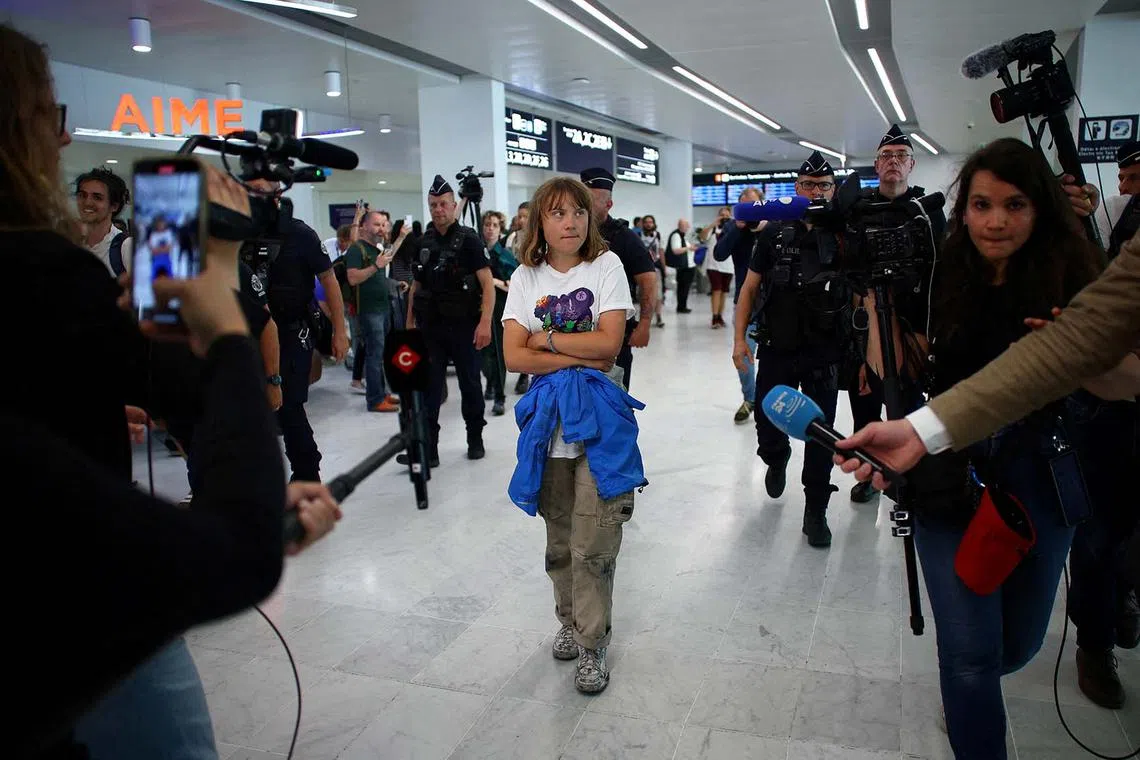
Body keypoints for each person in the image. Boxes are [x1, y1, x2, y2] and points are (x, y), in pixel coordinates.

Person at [0, 26, 342, 758]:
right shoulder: (42, 274)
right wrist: (219, 312)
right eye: (49, 121)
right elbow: (237, 553)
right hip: (73, 607)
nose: (60, 147)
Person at [844, 138, 1114, 758]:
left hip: (1041, 473)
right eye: (983, 204)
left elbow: (1122, 376)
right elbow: (901, 369)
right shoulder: (942, 273)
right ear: (962, 210)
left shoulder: (1076, 273)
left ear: (1040, 207)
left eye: (1015, 204)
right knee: (968, 656)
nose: (996, 221)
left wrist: (1083, 362)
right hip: (949, 475)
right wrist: (873, 301)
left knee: (1015, 646)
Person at [502, 176, 644, 695]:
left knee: (596, 539)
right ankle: (568, 619)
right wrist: (570, 351)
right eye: (558, 213)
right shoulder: (525, 276)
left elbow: (609, 346)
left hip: (600, 420)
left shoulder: (606, 266)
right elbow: (513, 355)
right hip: (548, 424)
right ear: (540, 221)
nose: (570, 222)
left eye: (578, 213)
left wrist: (547, 340)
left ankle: (592, 642)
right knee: (559, 539)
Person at [732, 151, 851, 547]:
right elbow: (750, 288)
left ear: (833, 191)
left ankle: (815, 509)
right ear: (795, 189)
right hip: (777, 347)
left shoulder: (843, 232)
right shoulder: (774, 232)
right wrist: (737, 341)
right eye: (807, 185)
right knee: (767, 422)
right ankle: (775, 456)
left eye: (823, 185)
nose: (815, 191)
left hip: (823, 349)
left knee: (821, 435)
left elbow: (863, 294)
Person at [847, 124, 948, 506]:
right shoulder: (858, 210)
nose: (894, 162)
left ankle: (914, 472)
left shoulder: (927, 209)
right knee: (866, 405)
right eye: (887, 156)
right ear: (876, 165)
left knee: (909, 404)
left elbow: (941, 266)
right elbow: (849, 273)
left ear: (912, 165)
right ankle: (870, 472)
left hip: (915, 317)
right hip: (869, 314)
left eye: (901, 156)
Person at [254, 179, 348, 482]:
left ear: (277, 195)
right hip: (250, 335)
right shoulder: (241, 233)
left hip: (291, 334)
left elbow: (329, 281)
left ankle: (307, 473)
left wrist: (339, 330)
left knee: (288, 407)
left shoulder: (300, 234)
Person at [404, 175, 494, 464]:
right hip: (431, 328)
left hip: (465, 326)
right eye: (433, 205)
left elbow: (488, 284)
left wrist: (485, 324)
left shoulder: (469, 240)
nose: (438, 209)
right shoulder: (423, 241)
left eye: (443, 204)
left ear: (454, 206)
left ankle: (474, 438)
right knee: (429, 389)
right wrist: (409, 324)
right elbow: (416, 287)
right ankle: (429, 449)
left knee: (470, 385)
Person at [580, 168, 657, 390]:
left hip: (614, 336)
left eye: (592, 200)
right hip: (577, 333)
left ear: (608, 205)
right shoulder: (572, 233)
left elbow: (648, 280)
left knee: (614, 401)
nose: (584, 206)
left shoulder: (624, 237)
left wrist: (644, 324)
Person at [345, 210, 405, 412]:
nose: (381, 228)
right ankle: (374, 399)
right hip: (369, 311)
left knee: (381, 354)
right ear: (364, 226)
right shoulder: (356, 249)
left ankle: (382, 393)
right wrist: (375, 266)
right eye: (376, 224)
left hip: (383, 308)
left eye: (383, 224)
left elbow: (382, 270)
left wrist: (395, 283)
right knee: (374, 355)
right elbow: (353, 278)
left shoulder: (376, 249)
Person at [715, 189, 764, 424]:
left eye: (754, 205)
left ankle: (770, 402)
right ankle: (750, 399)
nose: (750, 211)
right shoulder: (735, 228)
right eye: (744, 206)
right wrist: (738, 226)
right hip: (745, 304)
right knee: (743, 354)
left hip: (776, 303)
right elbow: (719, 253)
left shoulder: (773, 226)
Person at [480, 210, 517, 416]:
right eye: (487, 224)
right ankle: (491, 382)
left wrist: (494, 282)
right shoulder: (477, 252)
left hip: (500, 308)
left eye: (494, 225)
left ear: (500, 228)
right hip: (479, 308)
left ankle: (499, 396)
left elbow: (514, 285)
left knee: (497, 353)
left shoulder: (505, 255)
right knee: (483, 355)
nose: (490, 228)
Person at [76, 166, 133, 276]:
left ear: (114, 206)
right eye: (82, 195)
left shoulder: (125, 246)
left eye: (97, 197)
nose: (87, 203)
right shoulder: (73, 245)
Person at [702, 206, 735, 328]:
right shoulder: (713, 228)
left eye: (727, 215)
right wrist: (713, 224)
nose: (724, 218)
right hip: (713, 265)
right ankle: (714, 317)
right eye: (722, 215)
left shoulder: (732, 228)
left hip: (729, 265)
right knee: (716, 290)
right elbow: (703, 236)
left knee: (724, 292)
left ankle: (720, 316)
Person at [665, 219, 698, 313]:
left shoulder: (682, 236)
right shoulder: (676, 235)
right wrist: (689, 248)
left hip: (688, 265)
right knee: (683, 287)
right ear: (680, 225)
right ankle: (681, 307)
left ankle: (683, 306)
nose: (687, 227)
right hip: (684, 267)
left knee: (685, 288)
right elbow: (676, 250)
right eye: (686, 225)